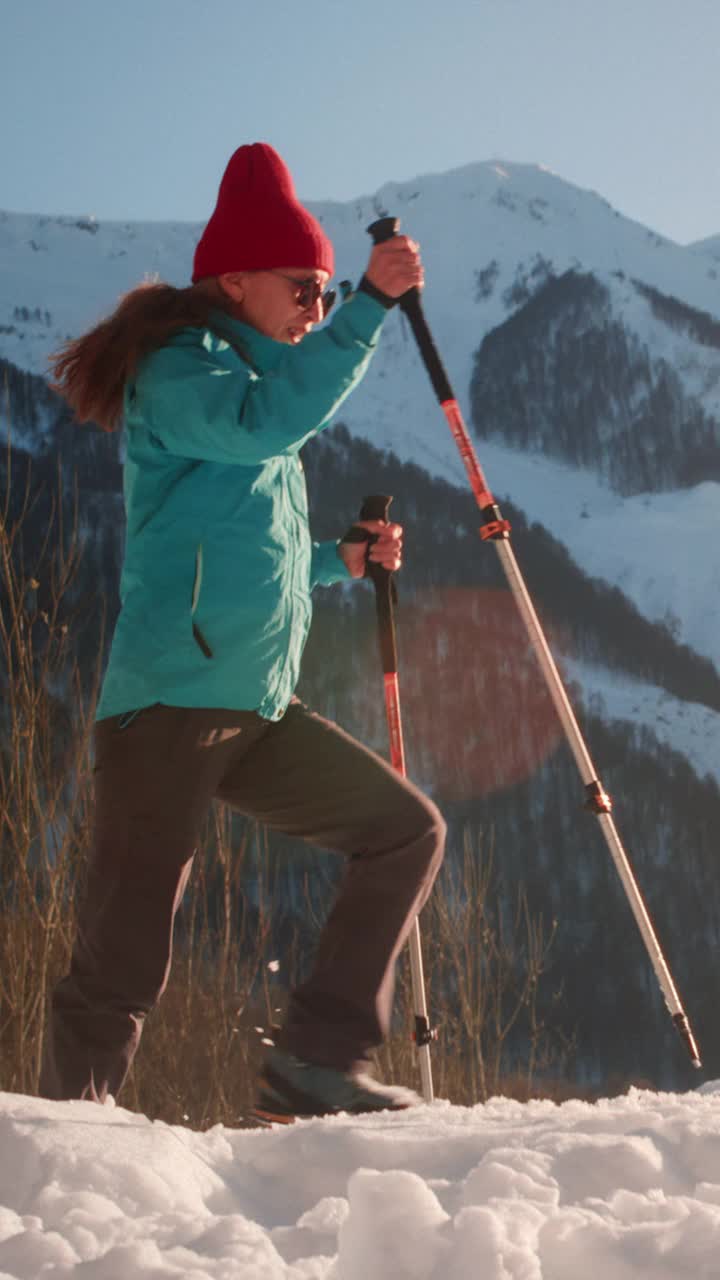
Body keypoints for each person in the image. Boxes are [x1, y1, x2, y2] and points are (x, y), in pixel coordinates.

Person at [41, 142, 446, 1121]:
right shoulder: (181, 372)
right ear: (235, 281)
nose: (316, 306)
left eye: (324, 290)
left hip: (252, 706)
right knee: (126, 952)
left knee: (403, 829)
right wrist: (369, 310)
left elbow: (240, 547)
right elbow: (268, 426)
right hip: (170, 706)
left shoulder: (237, 385)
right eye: (304, 288)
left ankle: (318, 1059)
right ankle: (61, 1139)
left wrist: (333, 562)